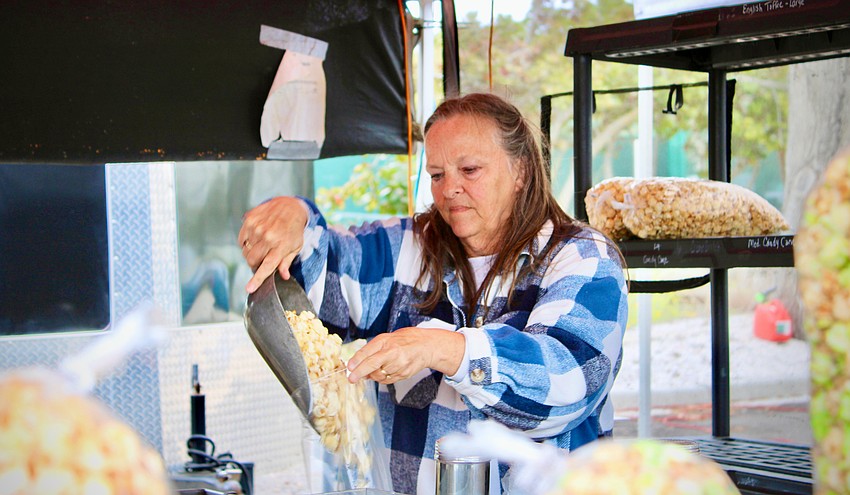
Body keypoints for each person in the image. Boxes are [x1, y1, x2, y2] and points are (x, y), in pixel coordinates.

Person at [239, 92, 628, 494]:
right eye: (438, 175)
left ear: (521, 172)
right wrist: (294, 217)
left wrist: (441, 349)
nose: (450, 189)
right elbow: (325, 275)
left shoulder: (582, 258)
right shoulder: (408, 246)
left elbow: (567, 380)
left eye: (470, 170)